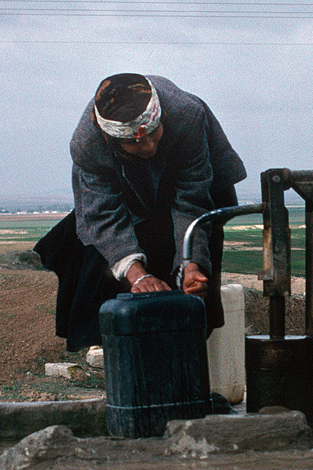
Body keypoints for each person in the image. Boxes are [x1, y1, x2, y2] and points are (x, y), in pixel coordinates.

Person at [35, 73, 246, 350]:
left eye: (152, 133)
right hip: (128, 196)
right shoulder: (88, 145)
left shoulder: (186, 115)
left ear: (162, 116)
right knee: (99, 259)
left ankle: (190, 338)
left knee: (195, 274)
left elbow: (192, 199)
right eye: (134, 142)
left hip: (194, 183)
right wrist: (138, 275)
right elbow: (104, 214)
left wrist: (190, 263)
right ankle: (117, 348)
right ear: (112, 141)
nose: (147, 147)